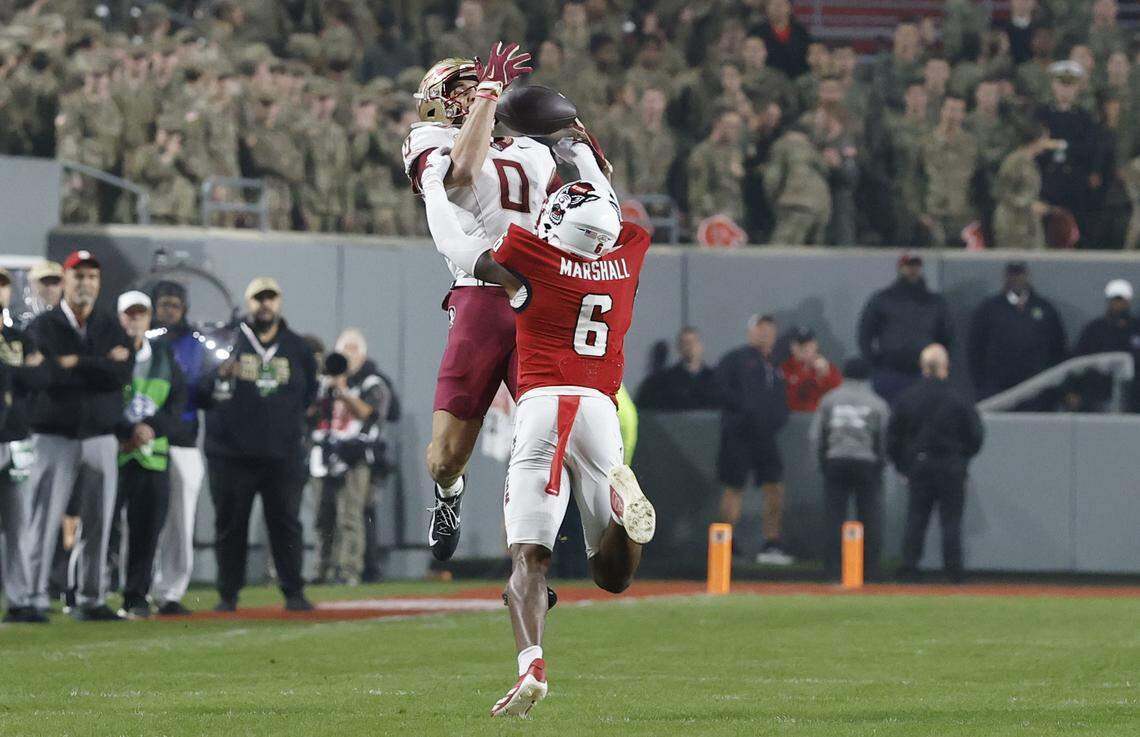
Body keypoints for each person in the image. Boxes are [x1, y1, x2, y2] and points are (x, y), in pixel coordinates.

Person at [418, 138, 654, 718]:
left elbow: (459, 246)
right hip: (601, 410)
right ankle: (629, 521)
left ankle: (532, 666)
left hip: (545, 406)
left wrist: (430, 187)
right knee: (613, 576)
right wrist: (579, 142)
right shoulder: (626, 261)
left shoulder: (529, 261)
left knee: (528, 558)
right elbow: (605, 200)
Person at [402, 43, 565, 563]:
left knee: (546, 433)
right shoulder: (427, 138)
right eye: (458, 88)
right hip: (478, 297)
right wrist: (489, 96)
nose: (472, 92)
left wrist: (587, 151)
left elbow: (570, 212)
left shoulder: (534, 150)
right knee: (446, 457)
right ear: (435, 101)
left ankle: (533, 552)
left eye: (477, 83)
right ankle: (449, 496)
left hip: (537, 297)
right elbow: (462, 172)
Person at [24, 250, 134, 621]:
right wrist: (101, 363)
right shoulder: (44, 326)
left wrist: (76, 363)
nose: (85, 283)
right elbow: (49, 376)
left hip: (101, 435)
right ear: (66, 280)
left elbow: (122, 375)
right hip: (53, 434)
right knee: (43, 520)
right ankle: (34, 598)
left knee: (99, 522)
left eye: (91, 276)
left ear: (98, 283)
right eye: (78, 276)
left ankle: (91, 598)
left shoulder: (109, 323)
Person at [200, 277, 318, 612]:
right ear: (248, 302)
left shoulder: (298, 347)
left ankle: (293, 591)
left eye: (270, 298)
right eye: (258, 298)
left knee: (286, 524)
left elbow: (310, 393)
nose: (265, 304)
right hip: (230, 452)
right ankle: (228, 594)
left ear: (279, 302)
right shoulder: (226, 340)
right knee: (230, 526)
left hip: (282, 453)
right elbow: (203, 389)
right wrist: (220, 376)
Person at [113, 291, 185, 619]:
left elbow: (177, 404)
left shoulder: (164, 357)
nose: (134, 320)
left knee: (146, 531)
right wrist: (125, 433)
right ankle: (85, 592)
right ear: (119, 318)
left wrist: (150, 429)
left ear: (148, 318)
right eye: (129, 314)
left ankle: (135, 596)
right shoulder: (108, 353)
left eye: (140, 314)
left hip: (152, 454)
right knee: (99, 528)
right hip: (114, 452)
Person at [889, 344, 984, 582]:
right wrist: (962, 458)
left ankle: (910, 569)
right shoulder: (959, 398)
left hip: (919, 465)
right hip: (951, 465)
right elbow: (975, 434)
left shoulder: (908, 397)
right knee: (951, 522)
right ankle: (953, 572)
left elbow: (893, 436)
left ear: (922, 367)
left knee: (916, 519)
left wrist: (903, 465)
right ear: (945, 367)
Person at [311, 328, 391, 586]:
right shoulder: (327, 381)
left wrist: (344, 391)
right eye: (345, 348)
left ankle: (349, 571)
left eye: (354, 348)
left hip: (356, 456)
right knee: (323, 518)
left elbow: (370, 413)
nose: (349, 354)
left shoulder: (372, 381)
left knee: (350, 516)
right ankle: (322, 569)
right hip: (326, 455)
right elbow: (311, 413)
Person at [149, 281, 207, 615]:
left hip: (183, 440)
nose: (169, 310)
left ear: (184, 308)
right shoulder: (145, 340)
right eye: (164, 303)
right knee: (140, 520)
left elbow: (205, 391)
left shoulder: (197, 344)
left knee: (181, 523)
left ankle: (170, 591)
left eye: (175, 304)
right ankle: (137, 586)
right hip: (145, 439)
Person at [716, 315, 792, 565]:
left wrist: (776, 419)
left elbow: (781, 401)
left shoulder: (776, 366)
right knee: (734, 487)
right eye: (760, 330)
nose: (764, 334)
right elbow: (719, 389)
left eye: (769, 330)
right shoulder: (735, 360)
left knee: (775, 487)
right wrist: (745, 413)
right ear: (749, 332)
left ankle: (772, 543)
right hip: (738, 435)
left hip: (766, 436)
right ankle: (724, 543)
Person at [809, 357, 889, 581]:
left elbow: (816, 436)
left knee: (834, 518)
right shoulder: (877, 403)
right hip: (866, 462)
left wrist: (822, 463)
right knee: (870, 518)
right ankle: (870, 571)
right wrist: (879, 463)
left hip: (836, 460)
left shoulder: (829, 400)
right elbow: (883, 438)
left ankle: (832, 571)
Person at [0, 267, 49, 623]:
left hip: (16, 438)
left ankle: (19, 599)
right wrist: (19, 373)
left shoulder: (19, 337)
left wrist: (11, 373)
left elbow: (42, 376)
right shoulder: (19, 346)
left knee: (19, 525)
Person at [857, 254, 954, 403]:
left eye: (916, 265)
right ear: (900, 268)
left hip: (923, 373)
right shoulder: (883, 299)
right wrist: (875, 365)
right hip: (890, 371)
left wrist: (937, 366)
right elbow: (865, 335)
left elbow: (947, 337)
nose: (912, 270)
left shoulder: (935, 302)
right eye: (908, 265)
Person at [968, 262, 1067, 403]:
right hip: (998, 390)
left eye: (1019, 274)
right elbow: (975, 350)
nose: (1016, 279)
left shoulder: (1045, 309)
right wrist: (983, 385)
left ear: (1027, 276)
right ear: (1006, 277)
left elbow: (1058, 348)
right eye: (1012, 274)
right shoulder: (989, 310)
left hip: (1038, 391)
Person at [1067, 279, 1140, 412]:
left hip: (1133, 398)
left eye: (1121, 299)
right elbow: (1078, 361)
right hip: (1096, 396)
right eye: (1114, 299)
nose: (1117, 304)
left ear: (1128, 301)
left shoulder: (1136, 328)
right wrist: (1072, 390)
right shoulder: (1094, 329)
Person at [635, 327, 720, 411]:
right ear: (679, 347)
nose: (690, 347)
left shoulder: (714, 379)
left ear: (701, 346)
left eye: (694, 342)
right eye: (686, 343)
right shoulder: (666, 381)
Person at [781, 327, 842, 412]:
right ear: (792, 347)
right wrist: (808, 375)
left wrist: (824, 375)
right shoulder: (784, 369)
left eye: (808, 344)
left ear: (815, 346)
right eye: (800, 345)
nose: (804, 348)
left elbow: (838, 395)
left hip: (819, 420)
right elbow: (789, 398)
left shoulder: (829, 368)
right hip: (794, 420)